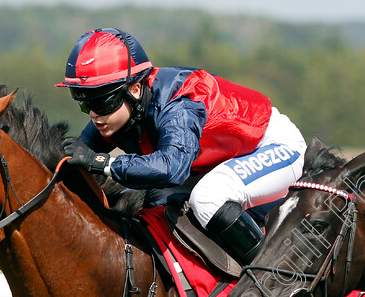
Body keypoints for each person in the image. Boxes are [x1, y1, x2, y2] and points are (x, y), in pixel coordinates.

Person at [56, 28, 307, 263]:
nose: (92, 114)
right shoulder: (114, 114)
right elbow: (76, 154)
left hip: (273, 146)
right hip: (215, 163)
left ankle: (274, 277)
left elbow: (171, 168)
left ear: (134, 89)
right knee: (156, 202)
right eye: (84, 103)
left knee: (209, 198)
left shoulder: (178, 105)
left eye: (100, 103)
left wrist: (102, 163)